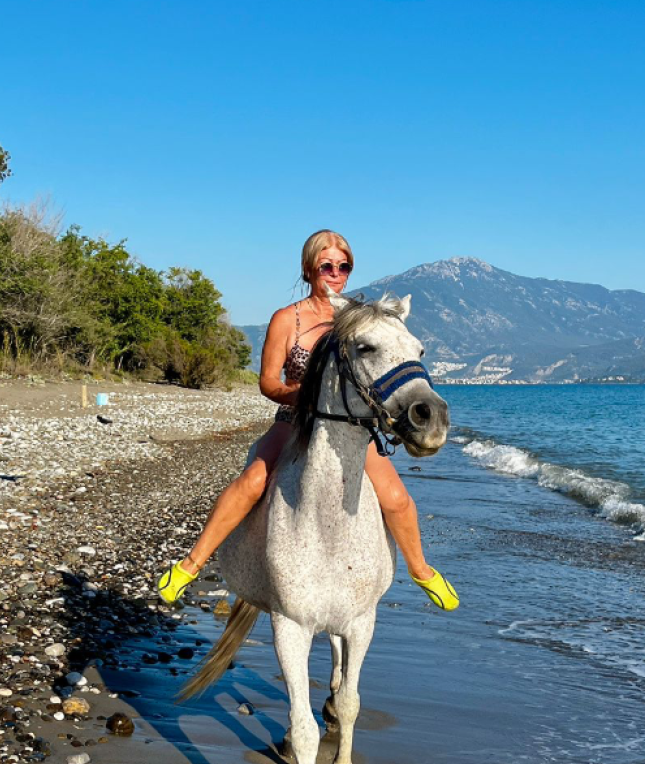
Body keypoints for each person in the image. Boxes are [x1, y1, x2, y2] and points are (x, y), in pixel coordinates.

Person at [155, 229, 458, 611]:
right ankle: (190, 565)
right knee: (253, 480)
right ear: (309, 269)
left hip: (349, 427)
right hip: (294, 418)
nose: (335, 273)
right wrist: (301, 397)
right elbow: (268, 381)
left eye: (343, 266)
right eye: (326, 265)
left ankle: (421, 571)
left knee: (396, 498)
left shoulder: (359, 318)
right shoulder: (288, 319)